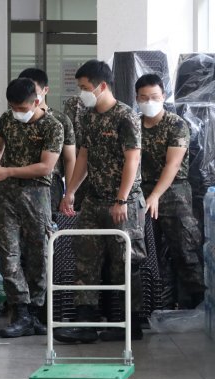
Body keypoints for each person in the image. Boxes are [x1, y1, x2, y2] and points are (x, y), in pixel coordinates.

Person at [57, 60, 146, 343]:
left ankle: (130, 325)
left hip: (124, 203)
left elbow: (132, 159)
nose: (82, 92)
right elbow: (83, 155)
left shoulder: (125, 116)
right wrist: (70, 191)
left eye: (85, 88)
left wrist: (121, 199)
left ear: (102, 86)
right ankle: (85, 322)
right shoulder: (88, 116)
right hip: (94, 201)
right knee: (86, 260)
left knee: (125, 261)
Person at [0, 78, 64, 338]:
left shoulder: (53, 126)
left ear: (36, 102)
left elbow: (46, 167)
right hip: (7, 195)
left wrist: (7, 171)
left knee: (39, 253)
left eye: (22, 108)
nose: (18, 112)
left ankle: (36, 312)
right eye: (13, 107)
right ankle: (21, 311)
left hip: (37, 195)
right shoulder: (7, 119)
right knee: (8, 252)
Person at [136, 73, 206, 309]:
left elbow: (173, 165)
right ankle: (159, 303)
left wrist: (155, 195)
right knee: (149, 252)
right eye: (143, 97)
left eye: (154, 97)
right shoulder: (132, 124)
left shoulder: (176, 124)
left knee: (185, 249)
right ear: (136, 98)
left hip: (174, 192)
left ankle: (197, 302)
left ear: (163, 96)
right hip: (141, 192)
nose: (149, 102)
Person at [18, 68, 76, 215]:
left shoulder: (60, 120)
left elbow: (70, 159)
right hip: (16, 184)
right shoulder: (14, 117)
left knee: (45, 232)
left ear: (45, 90)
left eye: (34, 90)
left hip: (48, 186)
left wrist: (69, 193)